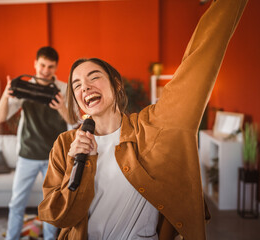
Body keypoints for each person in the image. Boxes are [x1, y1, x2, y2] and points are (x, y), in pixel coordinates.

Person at [38, 1, 248, 240]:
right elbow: (56, 216)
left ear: (116, 84)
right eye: (76, 85)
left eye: (93, 77)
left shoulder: (153, 127)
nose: (85, 86)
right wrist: (77, 165)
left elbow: (200, 60)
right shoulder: (65, 145)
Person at [0, 46, 71, 240]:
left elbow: (75, 120)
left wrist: (62, 107)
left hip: (54, 157)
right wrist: (6, 94)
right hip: (27, 155)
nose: (46, 70)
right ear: (35, 64)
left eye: (51, 66)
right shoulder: (23, 87)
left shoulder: (63, 89)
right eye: (42, 65)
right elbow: (0, 117)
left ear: (56, 67)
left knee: (50, 203)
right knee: (16, 203)